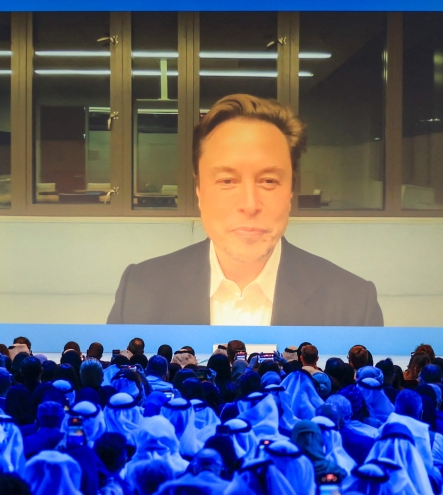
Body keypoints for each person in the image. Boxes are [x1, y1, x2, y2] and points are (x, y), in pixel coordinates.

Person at [107, 94, 383, 326]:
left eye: (269, 181)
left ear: (290, 192)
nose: (250, 205)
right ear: (199, 190)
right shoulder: (139, 291)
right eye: (227, 181)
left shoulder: (354, 304)